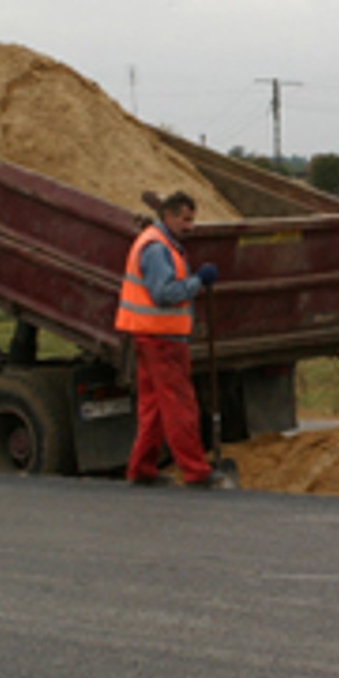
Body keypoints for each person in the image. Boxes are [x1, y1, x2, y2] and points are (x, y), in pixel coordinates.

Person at [117, 192, 222, 488]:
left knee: (153, 407)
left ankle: (141, 468)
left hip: (150, 336)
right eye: (186, 219)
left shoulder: (160, 243)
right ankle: (195, 471)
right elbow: (163, 294)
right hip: (163, 339)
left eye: (192, 219)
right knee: (180, 406)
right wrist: (198, 281)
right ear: (170, 216)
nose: (190, 226)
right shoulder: (157, 248)